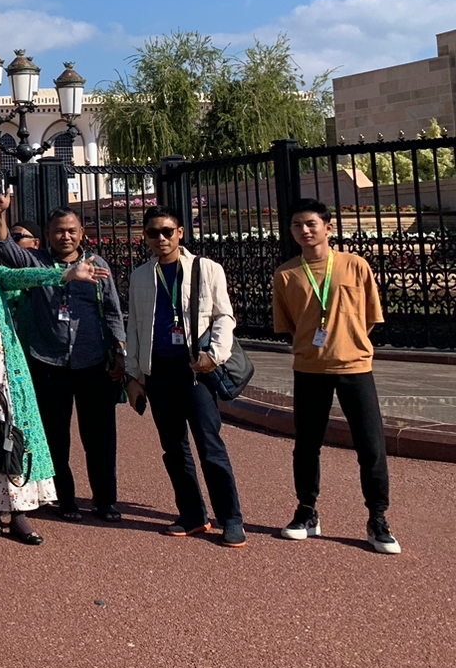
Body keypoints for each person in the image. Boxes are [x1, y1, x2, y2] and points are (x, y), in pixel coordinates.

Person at [0, 224, 104, 545]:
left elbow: (25, 276)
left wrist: (66, 274)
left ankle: (18, 512)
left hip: (6, 371)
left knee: (10, 434)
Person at [0, 194, 127, 522]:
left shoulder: (97, 264)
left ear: (81, 233)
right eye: (59, 231)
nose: (65, 236)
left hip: (93, 361)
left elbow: (112, 310)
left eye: (71, 230)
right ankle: (65, 499)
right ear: (48, 234)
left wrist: (120, 351)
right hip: (48, 362)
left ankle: (105, 500)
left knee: (100, 437)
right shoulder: (36, 262)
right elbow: (5, 248)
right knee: (55, 436)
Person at [272, 198, 399, 555]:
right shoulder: (286, 274)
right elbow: (289, 324)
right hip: (309, 369)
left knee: (370, 445)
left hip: (355, 367)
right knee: (307, 445)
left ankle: (378, 518)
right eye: (297, 225)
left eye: (311, 223)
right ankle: (306, 511)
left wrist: (347, 343)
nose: (304, 230)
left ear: (328, 227)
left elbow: (370, 316)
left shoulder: (355, 265)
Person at [124, 205, 245, 547]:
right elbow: (134, 327)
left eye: (167, 231)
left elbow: (224, 317)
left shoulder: (206, 268)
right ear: (145, 237)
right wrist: (133, 374)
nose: (160, 238)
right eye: (153, 233)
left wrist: (215, 355)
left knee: (210, 445)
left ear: (180, 233)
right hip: (159, 371)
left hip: (196, 370)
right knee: (173, 447)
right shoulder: (140, 276)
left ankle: (231, 518)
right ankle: (192, 514)